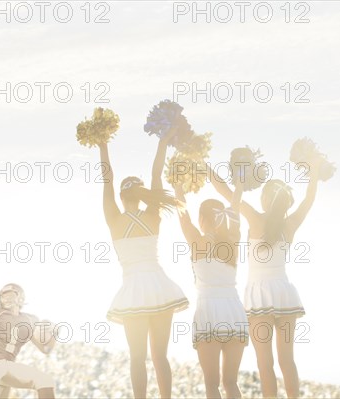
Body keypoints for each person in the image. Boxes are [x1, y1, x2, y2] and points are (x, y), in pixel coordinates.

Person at [209, 159, 322, 399]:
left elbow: (223, 191)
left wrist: (204, 166)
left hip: (259, 297)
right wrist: (314, 169)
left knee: (265, 363)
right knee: (287, 361)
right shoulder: (290, 224)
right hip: (284, 294)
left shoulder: (254, 218)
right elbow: (309, 199)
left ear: (266, 199)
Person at [96, 131, 188, 399]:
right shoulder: (152, 214)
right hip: (159, 286)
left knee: (137, 358)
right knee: (160, 356)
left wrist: (103, 146)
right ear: (140, 194)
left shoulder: (114, 219)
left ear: (122, 198)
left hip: (133, 290)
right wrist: (163, 142)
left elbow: (107, 180)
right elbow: (157, 175)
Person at [173, 178, 248, 399]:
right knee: (231, 383)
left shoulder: (196, 240)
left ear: (202, 219)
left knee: (212, 385)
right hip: (234, 311)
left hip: (208, 313)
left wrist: (178, 187)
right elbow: (234, 210)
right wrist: (239, 189)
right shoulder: (233, 238)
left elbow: (182, 214)